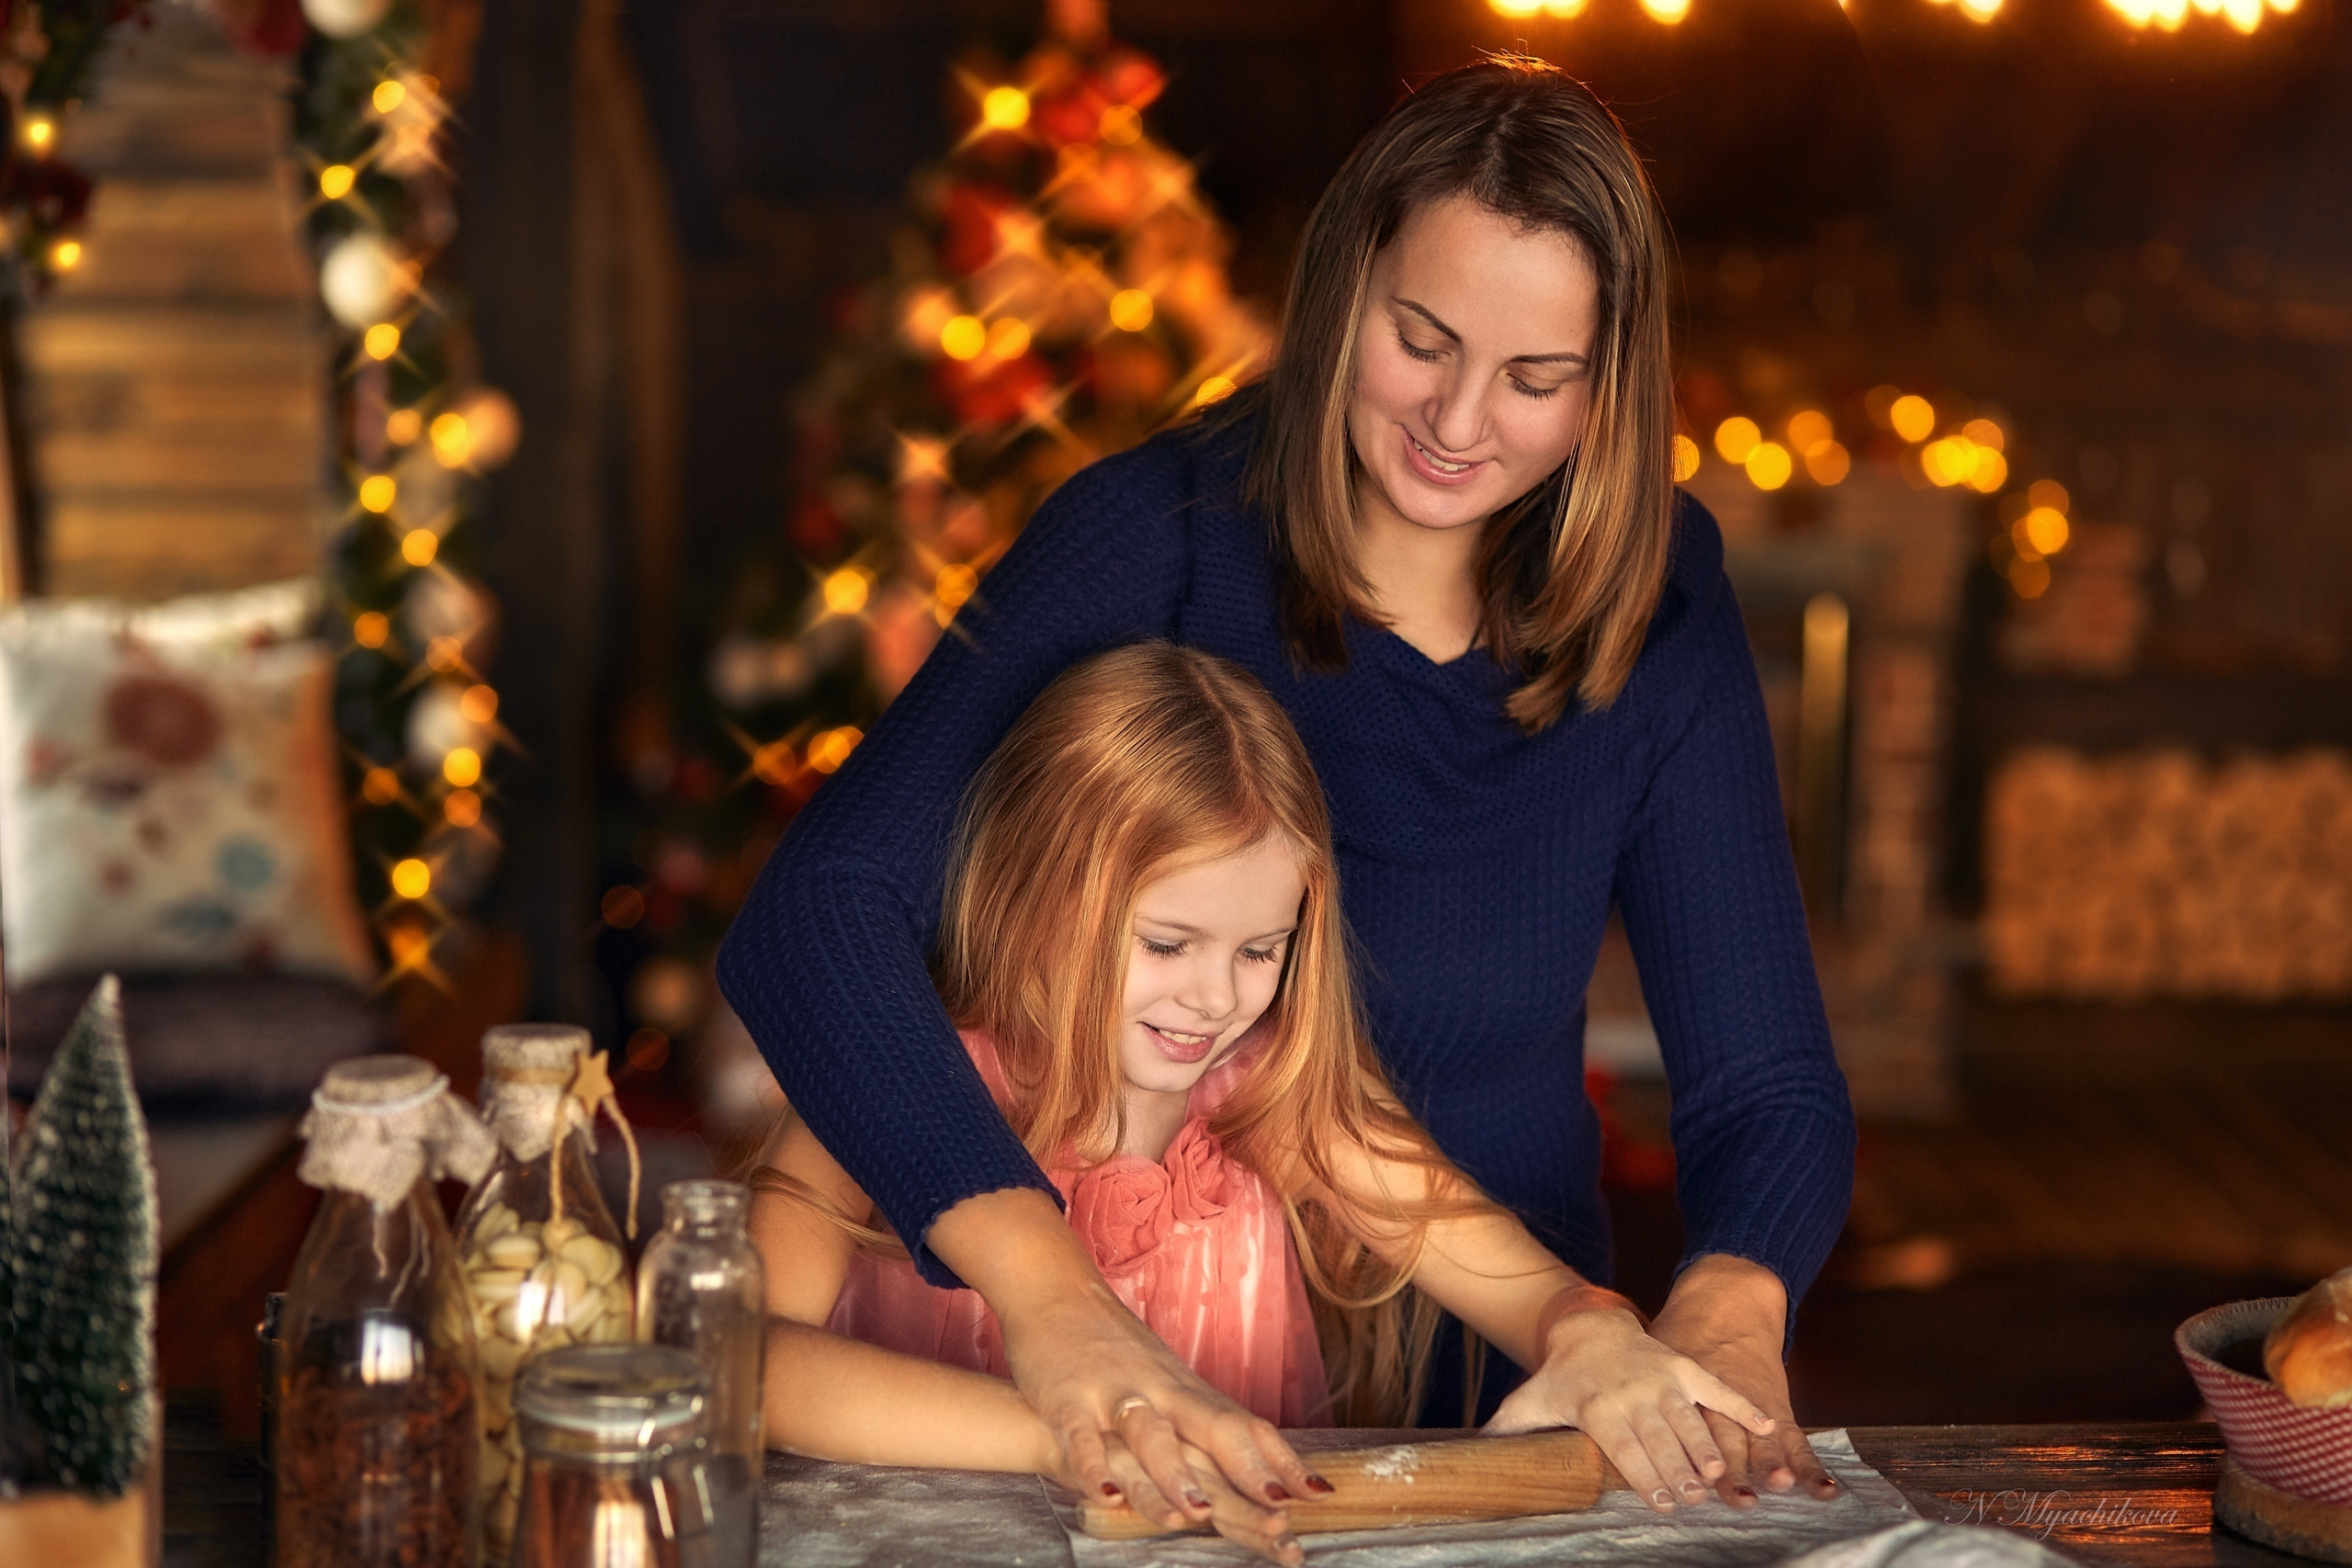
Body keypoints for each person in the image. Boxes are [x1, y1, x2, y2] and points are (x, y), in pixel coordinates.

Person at [716, 52, 1855, 1528]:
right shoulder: (1155, 538)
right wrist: (1053, 1303)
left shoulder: (1663, 602)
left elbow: (1767, 1084)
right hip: (1114, 1377)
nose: (1458, 419)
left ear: (1610, 382)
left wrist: (1716, 1308)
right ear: (1342, 291)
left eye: (1537, 377)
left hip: (1501, 1395)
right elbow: (818, 914)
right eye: (1421, 338)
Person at [745, 643, 1780, 1563]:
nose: (1213, 998)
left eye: (1260, 950)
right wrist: (1070, 1438)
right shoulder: (888, 1075)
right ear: (1033, 890)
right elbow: (740, 1362)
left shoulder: (1274, 1089)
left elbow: (1520, 1285)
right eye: (1165, 944)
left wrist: (1583, 1328)